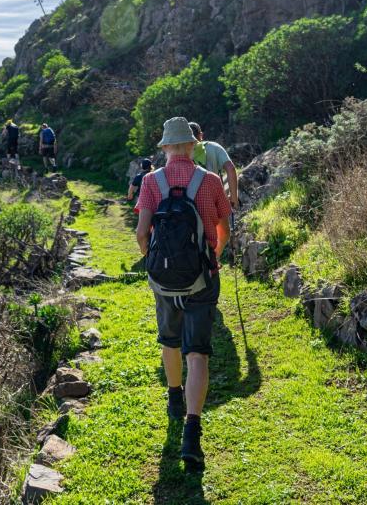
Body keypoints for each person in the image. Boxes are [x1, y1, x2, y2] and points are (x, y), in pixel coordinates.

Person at [136, 117, 232, 469]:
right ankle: (193, 430)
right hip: (203, 278)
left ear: (165, 148)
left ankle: (173, 397)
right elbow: (224, 229)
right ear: (193, 145)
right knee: (199, 354)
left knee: (170, 341)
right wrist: (214, 256)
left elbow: (141, 233)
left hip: (164, 282)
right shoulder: (209, 181)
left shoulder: (150, 181)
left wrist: (157, 265)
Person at [188, 122, 239, 209]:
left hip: (193, 205)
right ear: (201, 135)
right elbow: (230, 168)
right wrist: (234, 199)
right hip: (216, 201)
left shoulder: (183, 153)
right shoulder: (214, 147)